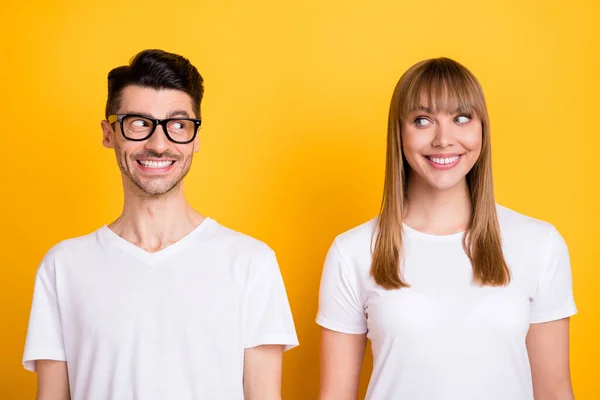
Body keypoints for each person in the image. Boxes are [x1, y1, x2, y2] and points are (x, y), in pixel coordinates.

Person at [22, 49, 298, 400]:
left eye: (178, 125)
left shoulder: (250, 263)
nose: (158, 143)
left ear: (195, 138)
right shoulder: (63, 267)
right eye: (139, 123)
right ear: (109, 134)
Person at [317, 57, 576, 400]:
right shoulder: (352, 251)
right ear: (399, 133)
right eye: (422, 120)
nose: (443, 139)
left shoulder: (540, 245)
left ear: (482, 128)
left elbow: (555, 391)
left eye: (461, 118)